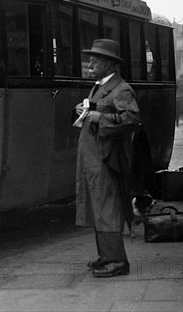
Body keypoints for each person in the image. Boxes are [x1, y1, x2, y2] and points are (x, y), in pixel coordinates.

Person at [73, 39, 140, 278]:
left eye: (95, 59)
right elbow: (97, 109)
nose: (89, 63)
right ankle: (106, 255)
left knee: (108, 208)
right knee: (98, 206)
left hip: (106, 158)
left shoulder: (122, 89)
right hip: (94, 157)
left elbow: (131, 119)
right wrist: (81, 111)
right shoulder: (101, 86)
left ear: (109, 64)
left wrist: (97, 118)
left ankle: (117, 260)